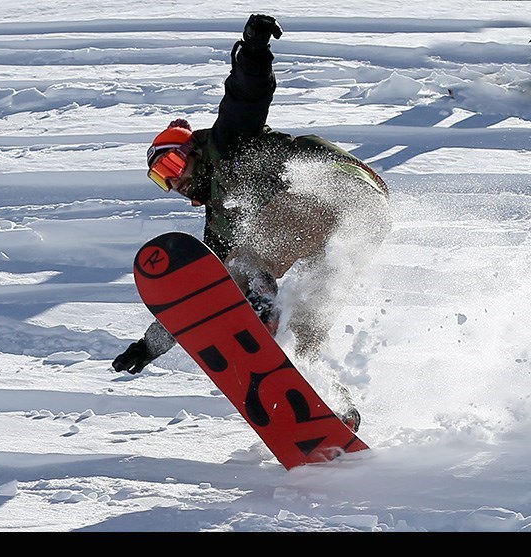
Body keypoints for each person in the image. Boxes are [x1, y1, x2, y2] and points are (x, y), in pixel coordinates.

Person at [112, 14, 391, 431]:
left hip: (337, 188)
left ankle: (262, 298)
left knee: (243, 262)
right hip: (365, 225)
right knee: (303, 332)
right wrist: (150, 346)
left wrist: (253, 51)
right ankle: (334, 408)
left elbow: (246, 94)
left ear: (191, 150)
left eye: (171, 165)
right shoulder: (219, 224)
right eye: (162, 180)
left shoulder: (226, 141)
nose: (175, 182)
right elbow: (202, 294)